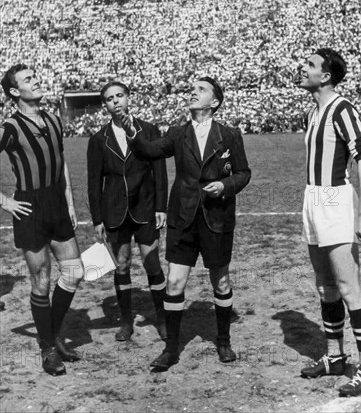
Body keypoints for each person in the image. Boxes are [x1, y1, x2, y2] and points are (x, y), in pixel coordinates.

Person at [121, 77, 251, 371]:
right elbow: (149, 151)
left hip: (216, 218)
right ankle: (171, 349)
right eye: (192, 89)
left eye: (201, 90)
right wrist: (132, 134)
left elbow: (243, 173)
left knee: (221, 281)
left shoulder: (229, 135)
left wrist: (224, 185)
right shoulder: (178, 133)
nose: (193, 92)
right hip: (182, 217)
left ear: (215, 102)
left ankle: (223, 340)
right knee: (176, 282)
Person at [298, 49, 361, 397]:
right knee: (325, 286)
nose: (304, 68)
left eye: (311, 65)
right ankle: (334, 356)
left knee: (348, 286)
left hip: (334, 199)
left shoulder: (342, 108)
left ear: (326, 76)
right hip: (313, 199)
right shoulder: (312, 113)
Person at [0, 64, 83, 376]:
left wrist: (71, 204)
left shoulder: (52, 118)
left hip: (57, 204)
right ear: (14, 91)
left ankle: (51, 334)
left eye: (35, 77)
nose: (36, 82)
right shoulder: (10, 126)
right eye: (28, 80)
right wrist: (6, 201)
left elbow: (61, 164)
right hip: (29, 206)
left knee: (74, 271)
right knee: (42, 279)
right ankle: (48, 349)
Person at [87, 82, 168, 341]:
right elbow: (93, 182)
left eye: (120, 95)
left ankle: (163, 319)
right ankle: (125, 322)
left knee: (151, 261)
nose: (116, 101)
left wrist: (161, 207)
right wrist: (97, 219)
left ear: (128, 97)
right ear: (105, 105)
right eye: (110, 99)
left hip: (145, 207)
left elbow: (160, 173)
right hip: (115, 211)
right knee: (121, 265)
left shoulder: (149, 130)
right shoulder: (99, 140)